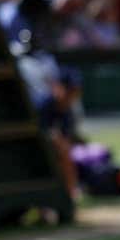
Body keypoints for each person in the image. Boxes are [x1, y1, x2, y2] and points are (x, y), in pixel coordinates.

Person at [35, 66, 84, 199]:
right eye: (69, 91)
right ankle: (70, 191)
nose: (73, 95)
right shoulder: (42, 105)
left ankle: (71, 191)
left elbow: (66, 137)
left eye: (75, 92)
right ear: (58, 87)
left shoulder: (67, 111)